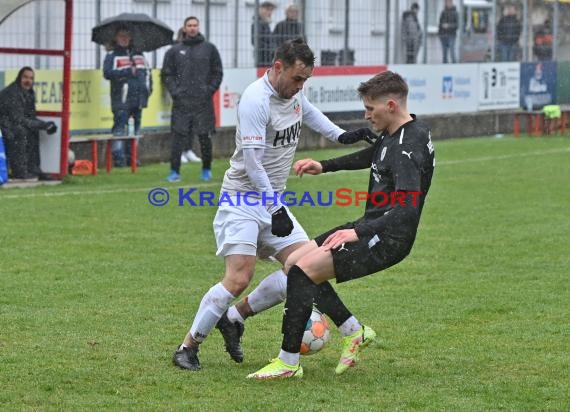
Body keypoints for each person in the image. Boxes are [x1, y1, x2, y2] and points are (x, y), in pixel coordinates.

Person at [171, 38, 378, 372]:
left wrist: (344, 136)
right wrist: (275, 208)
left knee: (304, 267)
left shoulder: (293, 95)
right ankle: (187, 347)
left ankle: (235, 318)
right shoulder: (256, 100)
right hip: (241, 200)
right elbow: (252, 164)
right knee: (239, 277)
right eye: (297, 79)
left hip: (272, 200)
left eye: (305, 80)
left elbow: (313, 116)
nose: (300, 86)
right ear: (278, 67)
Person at [247, 70, 435, 380]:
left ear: (390, 105)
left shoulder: (406, 148)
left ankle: (288, 362)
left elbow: (407, 209)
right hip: (371, 224)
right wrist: (324, 166)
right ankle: (353, 331)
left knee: (301, 271)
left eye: (369, 109)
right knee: (294, 260)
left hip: (387, 237)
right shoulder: (400, 131)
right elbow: (374, 155)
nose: (366, 115)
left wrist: (358, 232)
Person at [162, 16, 223, 182]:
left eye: (195, 25)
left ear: (199, 27)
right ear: (184, 28)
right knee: (177, 137)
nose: (192, 28)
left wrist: (209, 90)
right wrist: (176, 92)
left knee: (205, 137)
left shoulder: (209, 49)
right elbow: (167, 74)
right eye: (189, 25)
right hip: (181, 102)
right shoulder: (174, 51)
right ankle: (174, 171)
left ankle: (206, 170)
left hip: (203, 102)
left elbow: (217, 72)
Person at [103, 28, 152, 167]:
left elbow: (148, 74)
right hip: (121, 99)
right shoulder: (112, 56)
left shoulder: (140, 55)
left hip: (139, 99)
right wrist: (127, 71)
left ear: (131, 38)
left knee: (136, 129)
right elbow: (107, 73)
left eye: (127, 36)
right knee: (119, 129)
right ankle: (118, 159)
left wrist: (147, 91)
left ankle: (132, 157)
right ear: (116, 38)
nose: (124, 39)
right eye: (121, 36)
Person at [0, 67, 58, 181]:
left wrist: (45, 125)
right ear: (19, 78)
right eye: (25, 77)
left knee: (31, 130)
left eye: (31, 78)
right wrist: (43, 125)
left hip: (12, 124)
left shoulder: (29, 93)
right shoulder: (11, 93)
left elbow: (30, 117)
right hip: (4, 126)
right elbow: (18, 119)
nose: (28, 81)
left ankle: (34, 169)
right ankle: (19, 171)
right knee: (19, 131)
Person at [174, 26, 202, 165]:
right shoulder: (176, 51)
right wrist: (175, 90)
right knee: (180, 125)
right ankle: (179, 151)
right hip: (180, 93)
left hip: (194, 93)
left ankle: (188, 149)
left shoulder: (197, 50)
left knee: (192, 123)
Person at [252, 1, 276, 68]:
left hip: (267, 58)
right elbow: (255, 41)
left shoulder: (265, 24)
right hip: (262, 58)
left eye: (271, 10)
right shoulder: (257, 24)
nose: (270, 12)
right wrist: (271, 49)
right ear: (261, 10)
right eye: (268, 9)